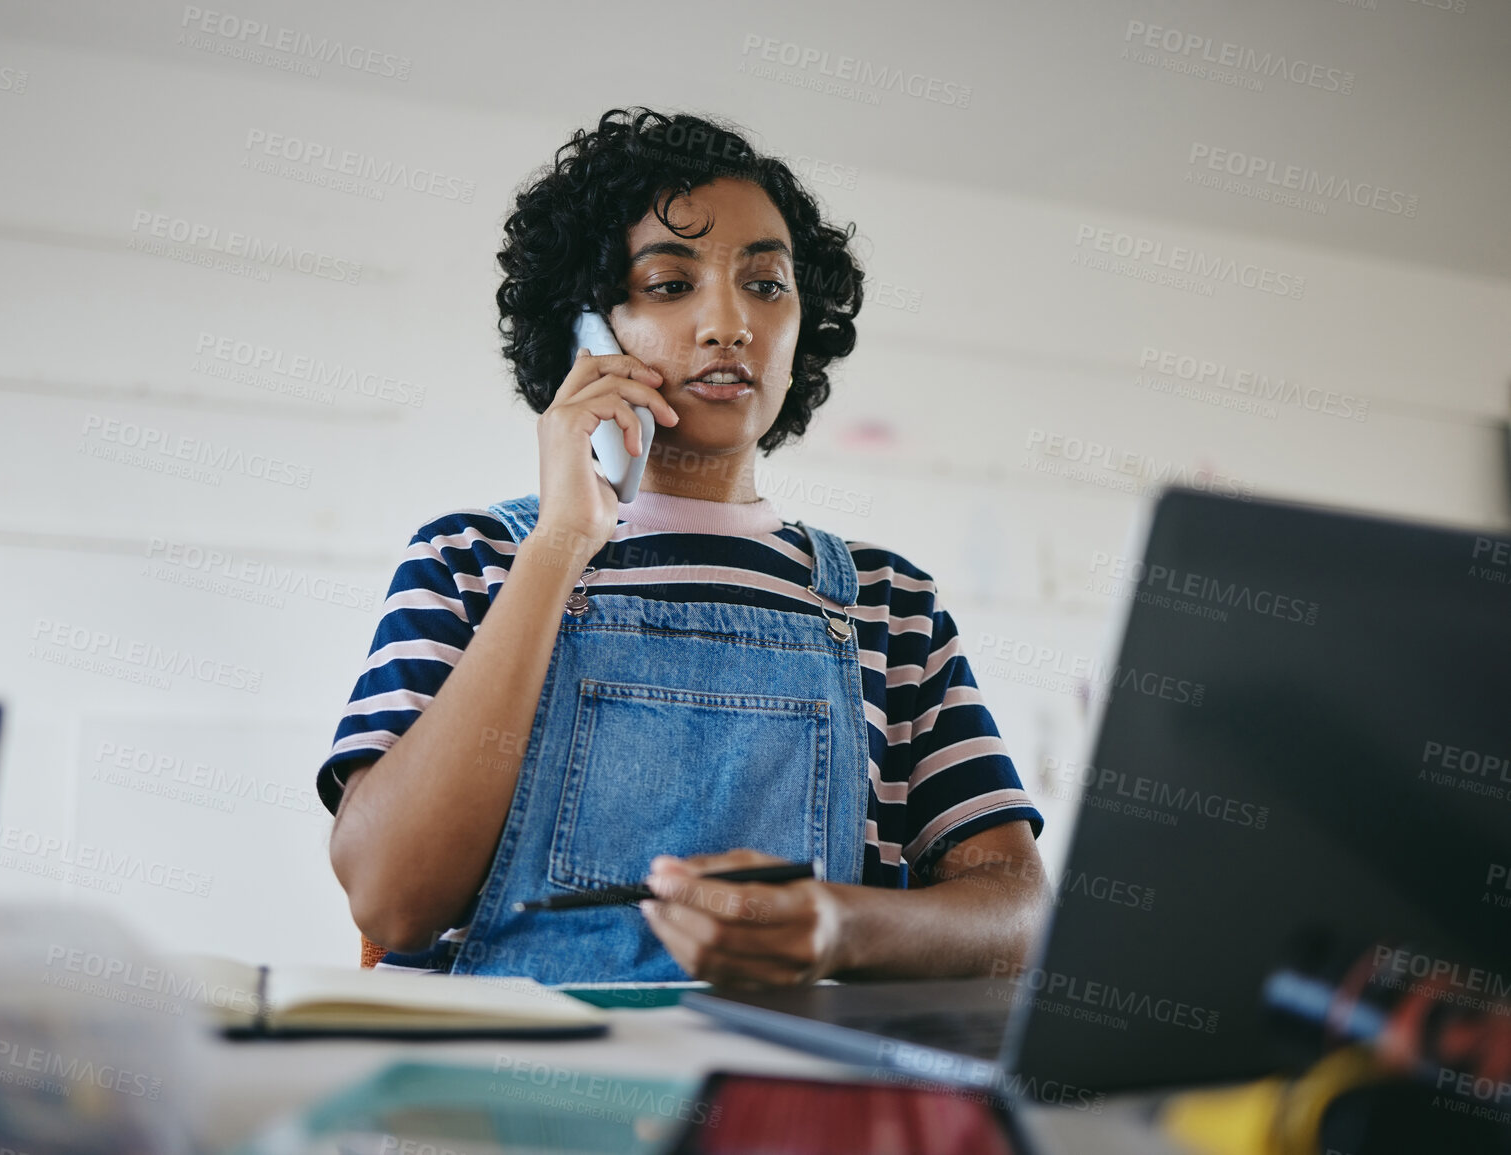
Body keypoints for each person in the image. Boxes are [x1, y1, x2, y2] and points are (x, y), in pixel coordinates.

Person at [320, 107, 1045, 986]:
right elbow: (393, 900)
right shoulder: (470, 560)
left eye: (767, 284)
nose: (729, 323)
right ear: (586, 330)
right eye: (669, 284)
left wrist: (838, 925)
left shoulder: (891, 604)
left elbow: (1018, 915)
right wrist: (560, 543)